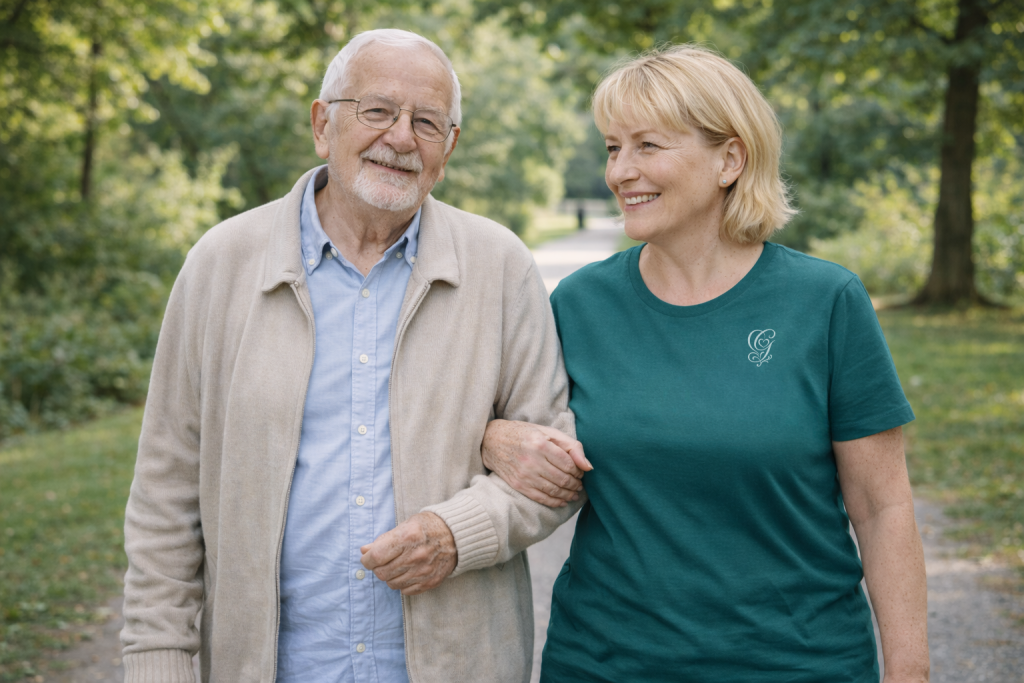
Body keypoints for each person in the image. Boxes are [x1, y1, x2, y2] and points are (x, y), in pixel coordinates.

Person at [120, 29, 583, 683]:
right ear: (322, 124)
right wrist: (157, 662)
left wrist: (456, 533)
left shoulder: (500, 267)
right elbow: (166, 491)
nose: (401, 137)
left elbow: (555, 472)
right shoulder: (221, 263)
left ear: (448, 148)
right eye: (377, 110)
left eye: (427, 122)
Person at [482, 45, 929, 682]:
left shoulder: (826, 302)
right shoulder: (579, 304)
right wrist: (493, 436)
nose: (620, 171)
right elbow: (502, 422)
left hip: (796, 666)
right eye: (613, 148)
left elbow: (882, 508)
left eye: (647, 145)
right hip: (605, 665)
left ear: (730, 159)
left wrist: (910, 671)